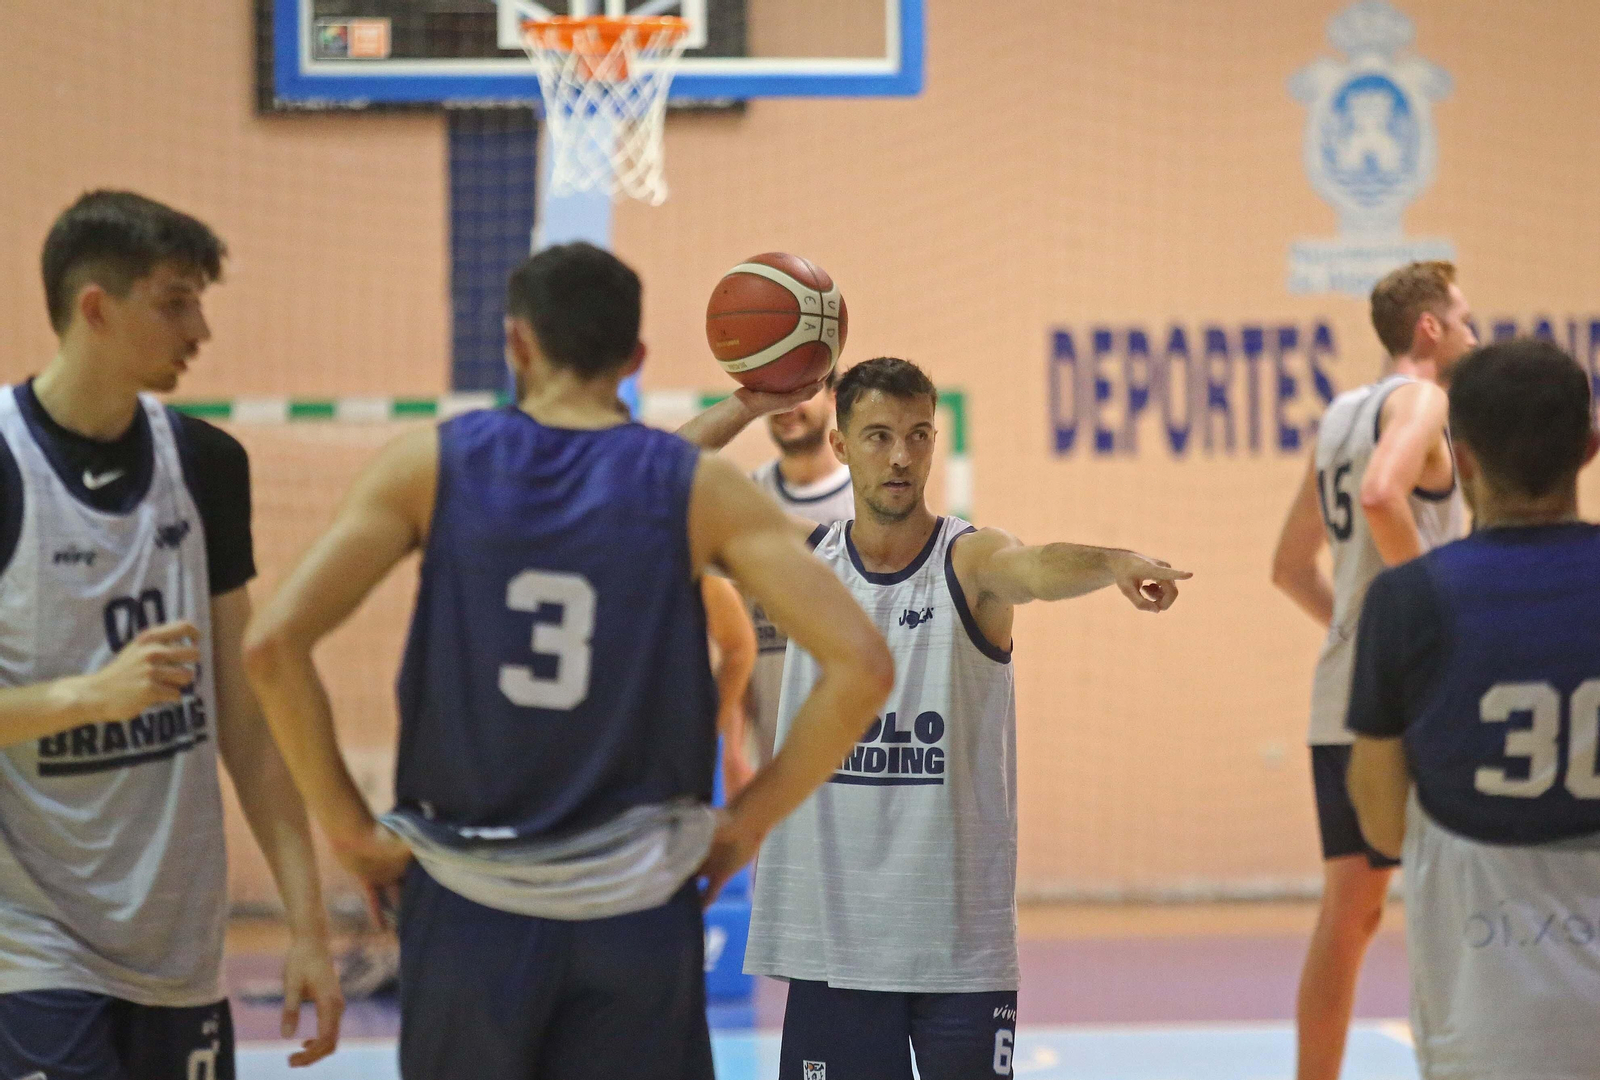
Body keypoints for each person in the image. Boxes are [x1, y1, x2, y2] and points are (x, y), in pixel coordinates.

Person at [241, 241, 894, 1080]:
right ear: (636, 358)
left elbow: (270, 646)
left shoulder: (429, 465)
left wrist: (353, 834)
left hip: (468, 907)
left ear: (518, 343)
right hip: (638, 913)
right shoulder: (694, 491)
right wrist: (745, 826)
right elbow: (864, 665)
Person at [683, 356, 1187, 1080]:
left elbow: (1038, 566)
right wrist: (750, 402)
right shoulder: (803, 562)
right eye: (880, 435)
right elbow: (655, 480)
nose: (900, 456)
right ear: (841, 445)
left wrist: (1111, 563)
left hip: (957, 951)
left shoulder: (971, 560)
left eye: (919, 435)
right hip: (834, 945)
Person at [0, 190, 342, 1077]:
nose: (200, 329)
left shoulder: (206, 463)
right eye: (176, 301)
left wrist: (308, 923)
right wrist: (90, 696)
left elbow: (249, 720)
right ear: (96, 308)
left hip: (179, 947)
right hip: (30, 944)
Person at [1347, 339, 1600, 1080]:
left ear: (1460, 454)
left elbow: (1383, 824)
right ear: (1589, 448)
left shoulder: (1406, 601)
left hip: (1487, 1015)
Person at [1270, 260, 1475, 1080]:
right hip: (1418, 699)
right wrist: (1439, 621)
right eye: (1464, 317)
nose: (1472, 331)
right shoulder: (1424, 401)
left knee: (1347, 917)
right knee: (1441, 904)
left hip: (1342, 693)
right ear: (1428, 327)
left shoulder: (1341, 415)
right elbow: (1389, 497)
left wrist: (1363, 629)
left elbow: (1288, 565)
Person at [730, 371, 856, 784]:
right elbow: (734, 643)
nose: (785, 409)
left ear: (832, 397)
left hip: (861, 764)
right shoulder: (743, 500)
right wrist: (732, 753)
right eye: (772, 396)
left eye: (799, 393)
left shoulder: (868, 502)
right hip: (773, 770)